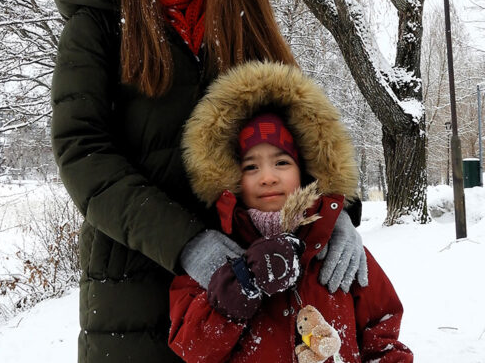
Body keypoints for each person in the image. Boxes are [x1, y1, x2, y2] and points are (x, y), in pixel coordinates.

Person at [49, 0, 367, 362]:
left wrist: (336, 210)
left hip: (252, 294)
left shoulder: (244, 25)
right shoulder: (99, 26)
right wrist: (188, 244)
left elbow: (306, 130)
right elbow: (83, 155)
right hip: (135, 298)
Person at [168, 61, 413, 362]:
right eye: (251, 166)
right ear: (231, 177)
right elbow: (192, 348)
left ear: (304, 170)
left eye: (281, 162)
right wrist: (236, 288)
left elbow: (382, 333)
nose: (268, 176)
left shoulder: (336, 247)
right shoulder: (215, 256)